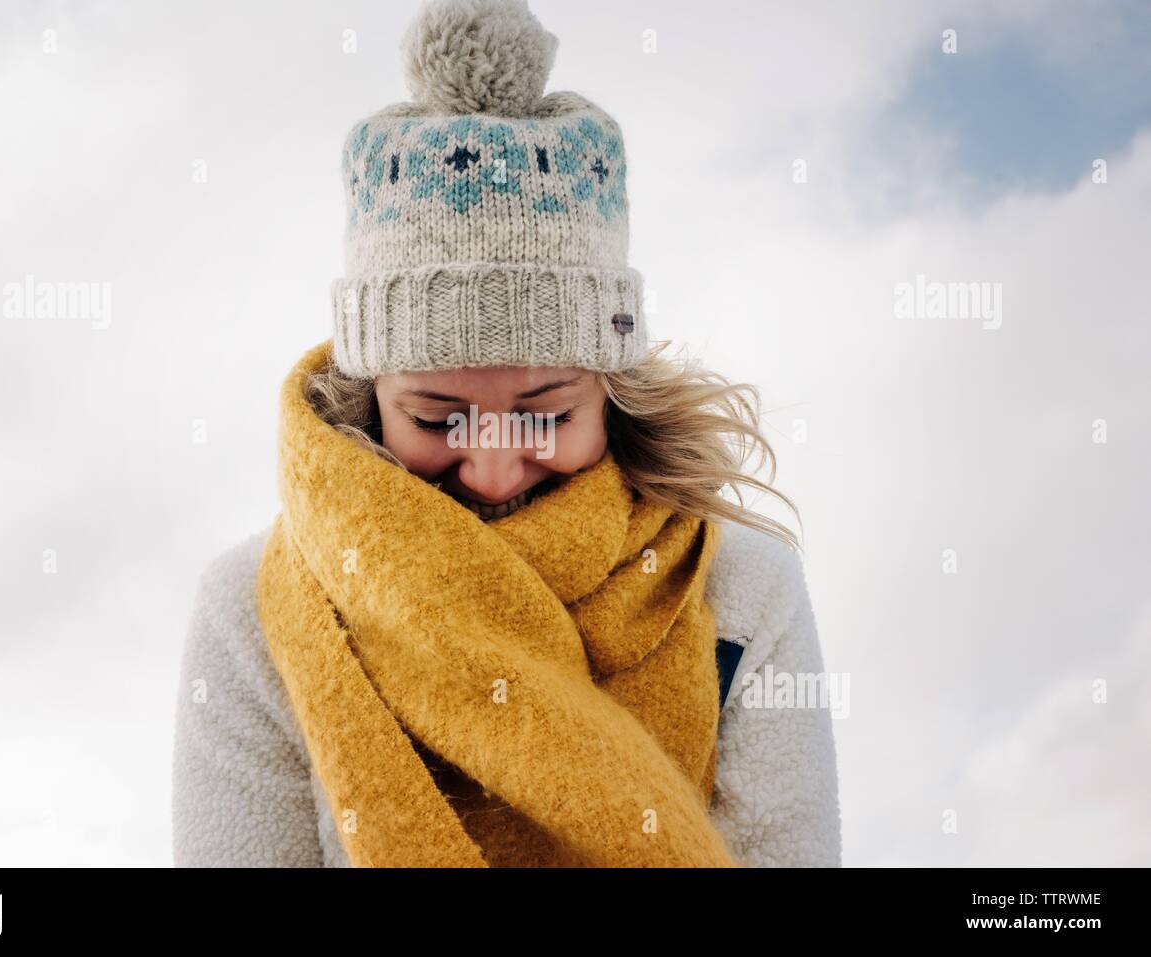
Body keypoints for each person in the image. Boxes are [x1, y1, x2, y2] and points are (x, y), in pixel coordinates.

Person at [172, 0, 841, 867]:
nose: (491, 469)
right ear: (373, 394)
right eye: (438, 417)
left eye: (546, 413)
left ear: (611, 385)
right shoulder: (253, 615)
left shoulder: (742, 596)